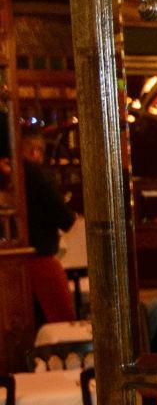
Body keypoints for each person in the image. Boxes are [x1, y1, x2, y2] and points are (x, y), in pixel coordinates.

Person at [20, 130, 77, 324]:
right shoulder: (34, 174)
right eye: (31, 150)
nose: (36, 156)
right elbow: (65, 219)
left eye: (40, 151)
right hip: (39, 256)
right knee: (60, 320)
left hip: (20, 260)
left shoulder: (14, 175)